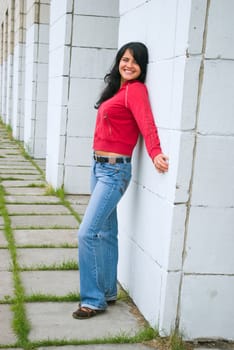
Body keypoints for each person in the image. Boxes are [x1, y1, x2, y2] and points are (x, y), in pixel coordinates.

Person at [72, 42, 169, 319]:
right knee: (105, 232)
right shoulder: (118, 90)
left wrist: (155, 153)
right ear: (118, 62)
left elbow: (146, 123)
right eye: (124, 59)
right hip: (98, 167)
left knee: (86, 233)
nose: (128, 65)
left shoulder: (136, 91)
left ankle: (93, 299)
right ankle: (107, 291)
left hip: (114, 172)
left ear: (142, 67)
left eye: (135, 61)